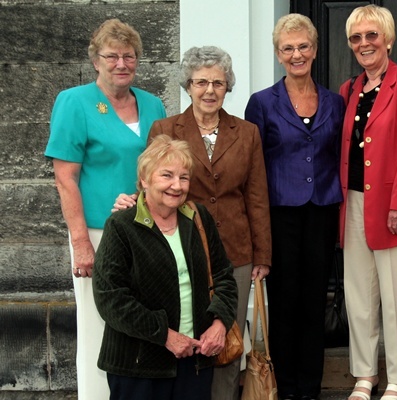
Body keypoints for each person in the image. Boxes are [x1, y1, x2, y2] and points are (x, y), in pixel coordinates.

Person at [112, 45, 271, 400]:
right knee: (189, 331)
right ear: (188, 86)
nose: (210, 90)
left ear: (228, 86)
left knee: (226, 339)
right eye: (201, 82)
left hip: (236, 249)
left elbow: (257, 197)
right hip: (181, 247)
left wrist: (262, 255)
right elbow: (153, 180)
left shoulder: (247, 133)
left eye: (218, 82)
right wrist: (130, 200)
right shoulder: (166, 127)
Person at [43, 18, 166, 400]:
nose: (121, 64)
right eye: (111, 56)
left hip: (146, 229)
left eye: (129, 56)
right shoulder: (74, 102)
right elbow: (65, 178)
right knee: (99, 324)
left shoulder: (153, 103)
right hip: (97, 231)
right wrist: (81, 243)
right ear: (95, 60)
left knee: (141, 320)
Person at [244, 14, 345, 400]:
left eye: (303, 46)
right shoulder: (262, 103)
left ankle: (310, 387)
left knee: (316, 299)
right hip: (279, 214)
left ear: (315, 50)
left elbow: (340, 158)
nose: (297, 53)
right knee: (285, 303)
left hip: (321, 211)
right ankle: (285, 388)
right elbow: (254, 169)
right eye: (288, 48)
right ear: (278, 54)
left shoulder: (335, 102)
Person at [93, 135, 238, 400]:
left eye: (184, 177)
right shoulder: (121, 226)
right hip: (138, 367)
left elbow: (224, 277)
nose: (177, 185)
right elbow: (110, 298)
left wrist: (219, 323)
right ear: (144, 180)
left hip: (194, 362)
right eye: (167, 176)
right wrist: (166, 336)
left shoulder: (198, 218)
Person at [338, 5, 397, 400]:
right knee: (359, 293)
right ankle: (363, 375)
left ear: (388, 39)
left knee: (395, 298)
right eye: (356, 38)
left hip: (394, 206)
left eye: (371, 35)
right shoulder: (349, 89)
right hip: (353, 201)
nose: (364, 44)